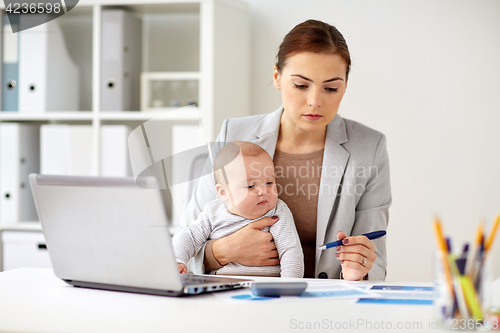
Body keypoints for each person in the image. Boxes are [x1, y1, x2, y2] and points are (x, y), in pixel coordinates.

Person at [181, 19, 391, 281]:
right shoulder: (234, 134)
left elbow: (376, 260)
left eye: (331, 88)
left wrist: (360, 270)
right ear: (277, 77)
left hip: (324, 304)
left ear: (345, 86)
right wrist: (222, 251)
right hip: (240, 297)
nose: (315, 101)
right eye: (301, 85)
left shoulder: (369, 147)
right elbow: (186, 238)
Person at [173, 141, 304, 278]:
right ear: (223, 193)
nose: (263, 191)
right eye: (251, 186)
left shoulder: (277, 211)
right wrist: (177, 260)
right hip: (221, 284)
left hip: (269, 284)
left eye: (269, 182)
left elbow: (291, 251)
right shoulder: (212, 213)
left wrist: (290, 285)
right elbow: (188, 236)